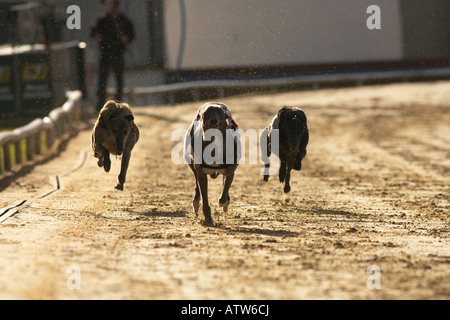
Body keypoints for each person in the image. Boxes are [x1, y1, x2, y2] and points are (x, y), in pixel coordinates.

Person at [90, 0, 134, 111]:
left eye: (116, 7)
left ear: (120, 8)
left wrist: (126, 38)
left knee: (119, 79)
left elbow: (132, 34)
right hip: (105, 53)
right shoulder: (103, 20)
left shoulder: (125, 21)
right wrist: (97, 36)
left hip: (118, 53)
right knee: (102, 80)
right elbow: (93, 31)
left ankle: (118, 104)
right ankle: (100, 104)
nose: (114, 10)